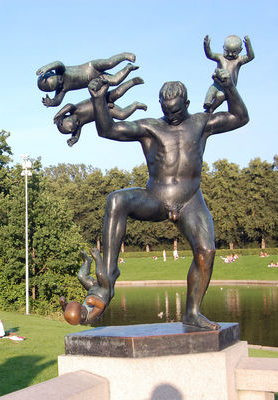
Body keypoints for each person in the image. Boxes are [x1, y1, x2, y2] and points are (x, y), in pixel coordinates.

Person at [68, 67, 248, 330]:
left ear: (186, 104)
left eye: (176, 109)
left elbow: (240, 117)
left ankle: (192, 312)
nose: (171, 114)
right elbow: (108, 130)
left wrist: (229, 87)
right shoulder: (150, 127)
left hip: (189, 200)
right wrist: (98, 99)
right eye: (166, 109)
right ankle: (106, 282)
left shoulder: (201, 123)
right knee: (116, 200)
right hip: (156, 197)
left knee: (206, 250)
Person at [53, 77, 147, 146]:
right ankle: (135, 105)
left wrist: (59, 114)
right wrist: (74, 139)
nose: (78, 123)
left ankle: (133, 82)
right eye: (76, 126)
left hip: (102, 98)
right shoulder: (79, 124)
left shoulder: (75, 110)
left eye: (75, 122)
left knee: (118, 92)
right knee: (122, 115)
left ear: (67, 117)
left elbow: (68, 105)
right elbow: (77, 134)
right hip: (106, 111)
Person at [37, 52, 137, 107]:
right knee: (115, 81)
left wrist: (46, 67)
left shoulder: (61, 71)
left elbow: (58, 63)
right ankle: (128, 68)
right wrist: (51, 103)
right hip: (97, 79)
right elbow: (57, 101)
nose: (60, 81)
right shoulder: (62, 90)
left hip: (92, 67)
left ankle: (124, 56)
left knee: (110, 63)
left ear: (52, 73)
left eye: (57, 79)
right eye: (57, 85)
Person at [203, 35, 254, 113]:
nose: (230, 54)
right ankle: (207, 102)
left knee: (220, 96)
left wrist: (248, 45)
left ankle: (211, 109)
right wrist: (206, 46)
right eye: (227, 51)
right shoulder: (220, 57)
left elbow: (250, 56)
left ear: (240, 50)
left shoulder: (239, 60)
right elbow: (210, 55)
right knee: (212, 90)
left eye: (233, 52)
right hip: (217, 83)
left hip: (228, 88)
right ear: (223, 48)